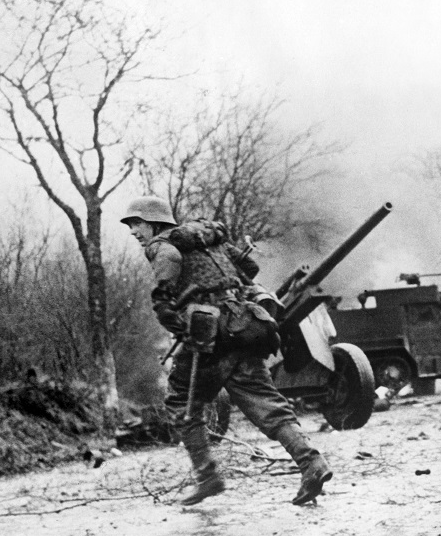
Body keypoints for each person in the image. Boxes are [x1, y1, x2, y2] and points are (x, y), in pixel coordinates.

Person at [122, 195, 332, 506]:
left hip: (210, 339)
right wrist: (223, 285)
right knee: (268, 404)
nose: (133, 232)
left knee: (181, 402)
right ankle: (312, 463)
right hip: (243, 327)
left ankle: (208, 477)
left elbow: (164, 292)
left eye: (137, 224)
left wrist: (178, 321)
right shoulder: (206, 239)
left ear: (154, 222)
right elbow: (250, 266)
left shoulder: (163, 247)